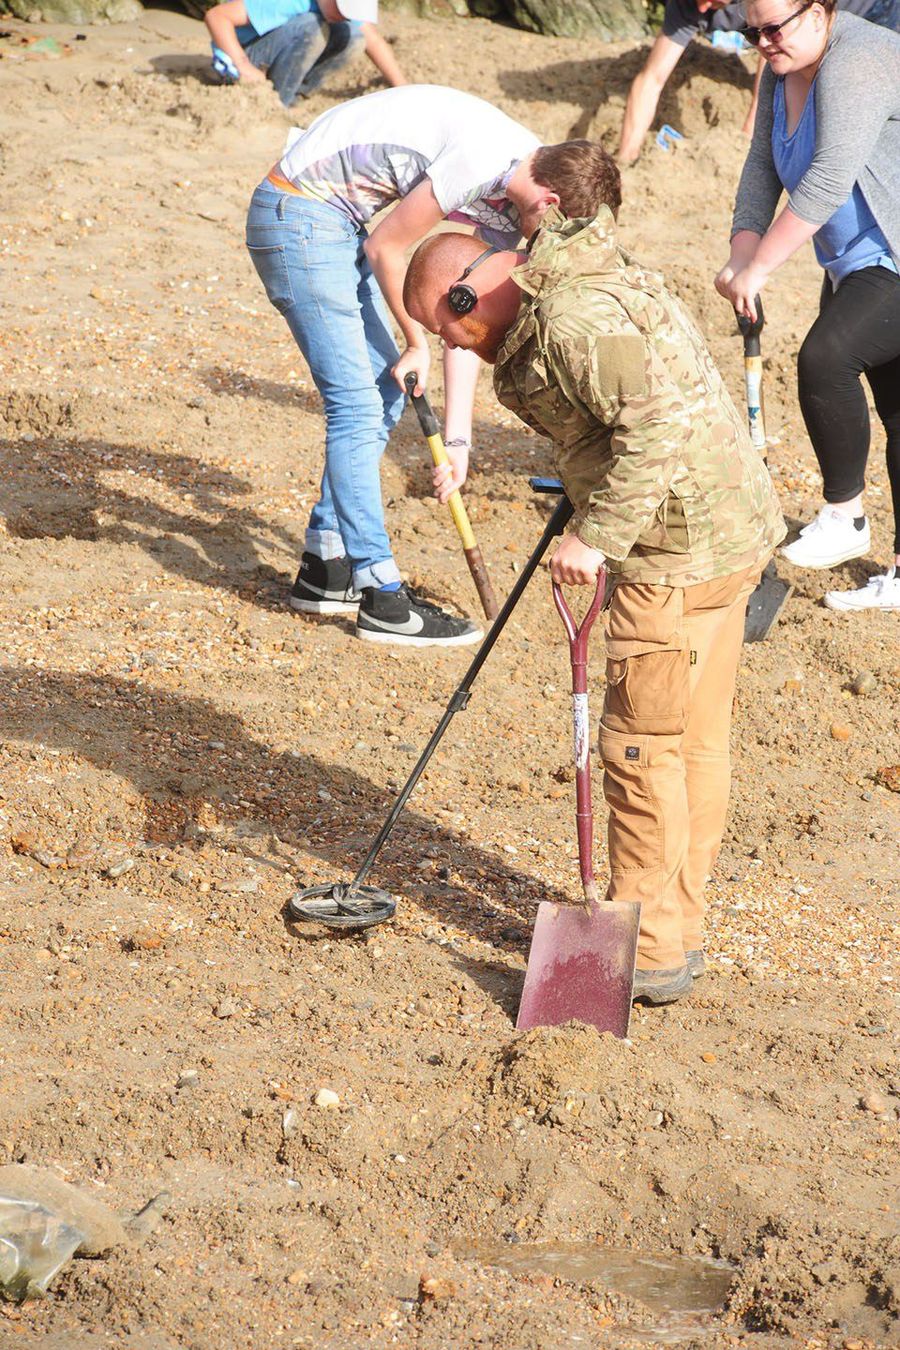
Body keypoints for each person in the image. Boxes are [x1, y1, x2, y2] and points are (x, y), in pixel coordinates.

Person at [403, 191, 785, 1002]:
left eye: (448, 327)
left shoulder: (572, 323)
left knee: (640, 752)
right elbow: (626, 415)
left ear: (470, 294)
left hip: (673, 556)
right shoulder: (584, 278)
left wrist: (597, 533)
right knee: (692, 744)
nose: (452, 346)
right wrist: (584, 482)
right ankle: (674, 932)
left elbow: (656, 429)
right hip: (725, 532)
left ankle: (644, 950)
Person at [246, 86, 616, 646]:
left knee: (385, 391)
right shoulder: (485, 158)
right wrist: (413, 339)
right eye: (553, 237)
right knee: (357, 403)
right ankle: (381, 597)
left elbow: (463, 313)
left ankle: (326, 566)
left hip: (334, 221)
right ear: (552, 204)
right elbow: (386, 250)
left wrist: (459, 440)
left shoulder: (519, 187)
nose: (542, 248)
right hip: (299, 213)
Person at [716, 2, 900, 613]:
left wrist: (763, 267)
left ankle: (847, 516)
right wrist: (743, 261)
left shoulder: (859, 57)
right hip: (854, 261)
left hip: (891, 256)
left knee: (826, 360)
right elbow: (761, 172)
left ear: (820, 11)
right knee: (897, 410)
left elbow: (827, 177)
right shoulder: (780, 68)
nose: (764, 42)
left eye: (776, 27)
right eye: (752, 32)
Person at [617, 0, 900, 167]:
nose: (702, 8)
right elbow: (651, 79)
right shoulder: (688, 5)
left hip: (874, 9)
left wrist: (746, 139)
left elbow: (774, 59)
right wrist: (627, 158)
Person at [204, 0, 404, 108]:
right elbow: (216, 16)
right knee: (313, 28)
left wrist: (403, 89)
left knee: (354, 36)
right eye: (341, 8)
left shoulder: (334, 9)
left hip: (276, 50)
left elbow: (374, 41)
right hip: (243, 58)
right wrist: (243, 66)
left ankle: (296, 92)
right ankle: (278, 102)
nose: (344, 15)